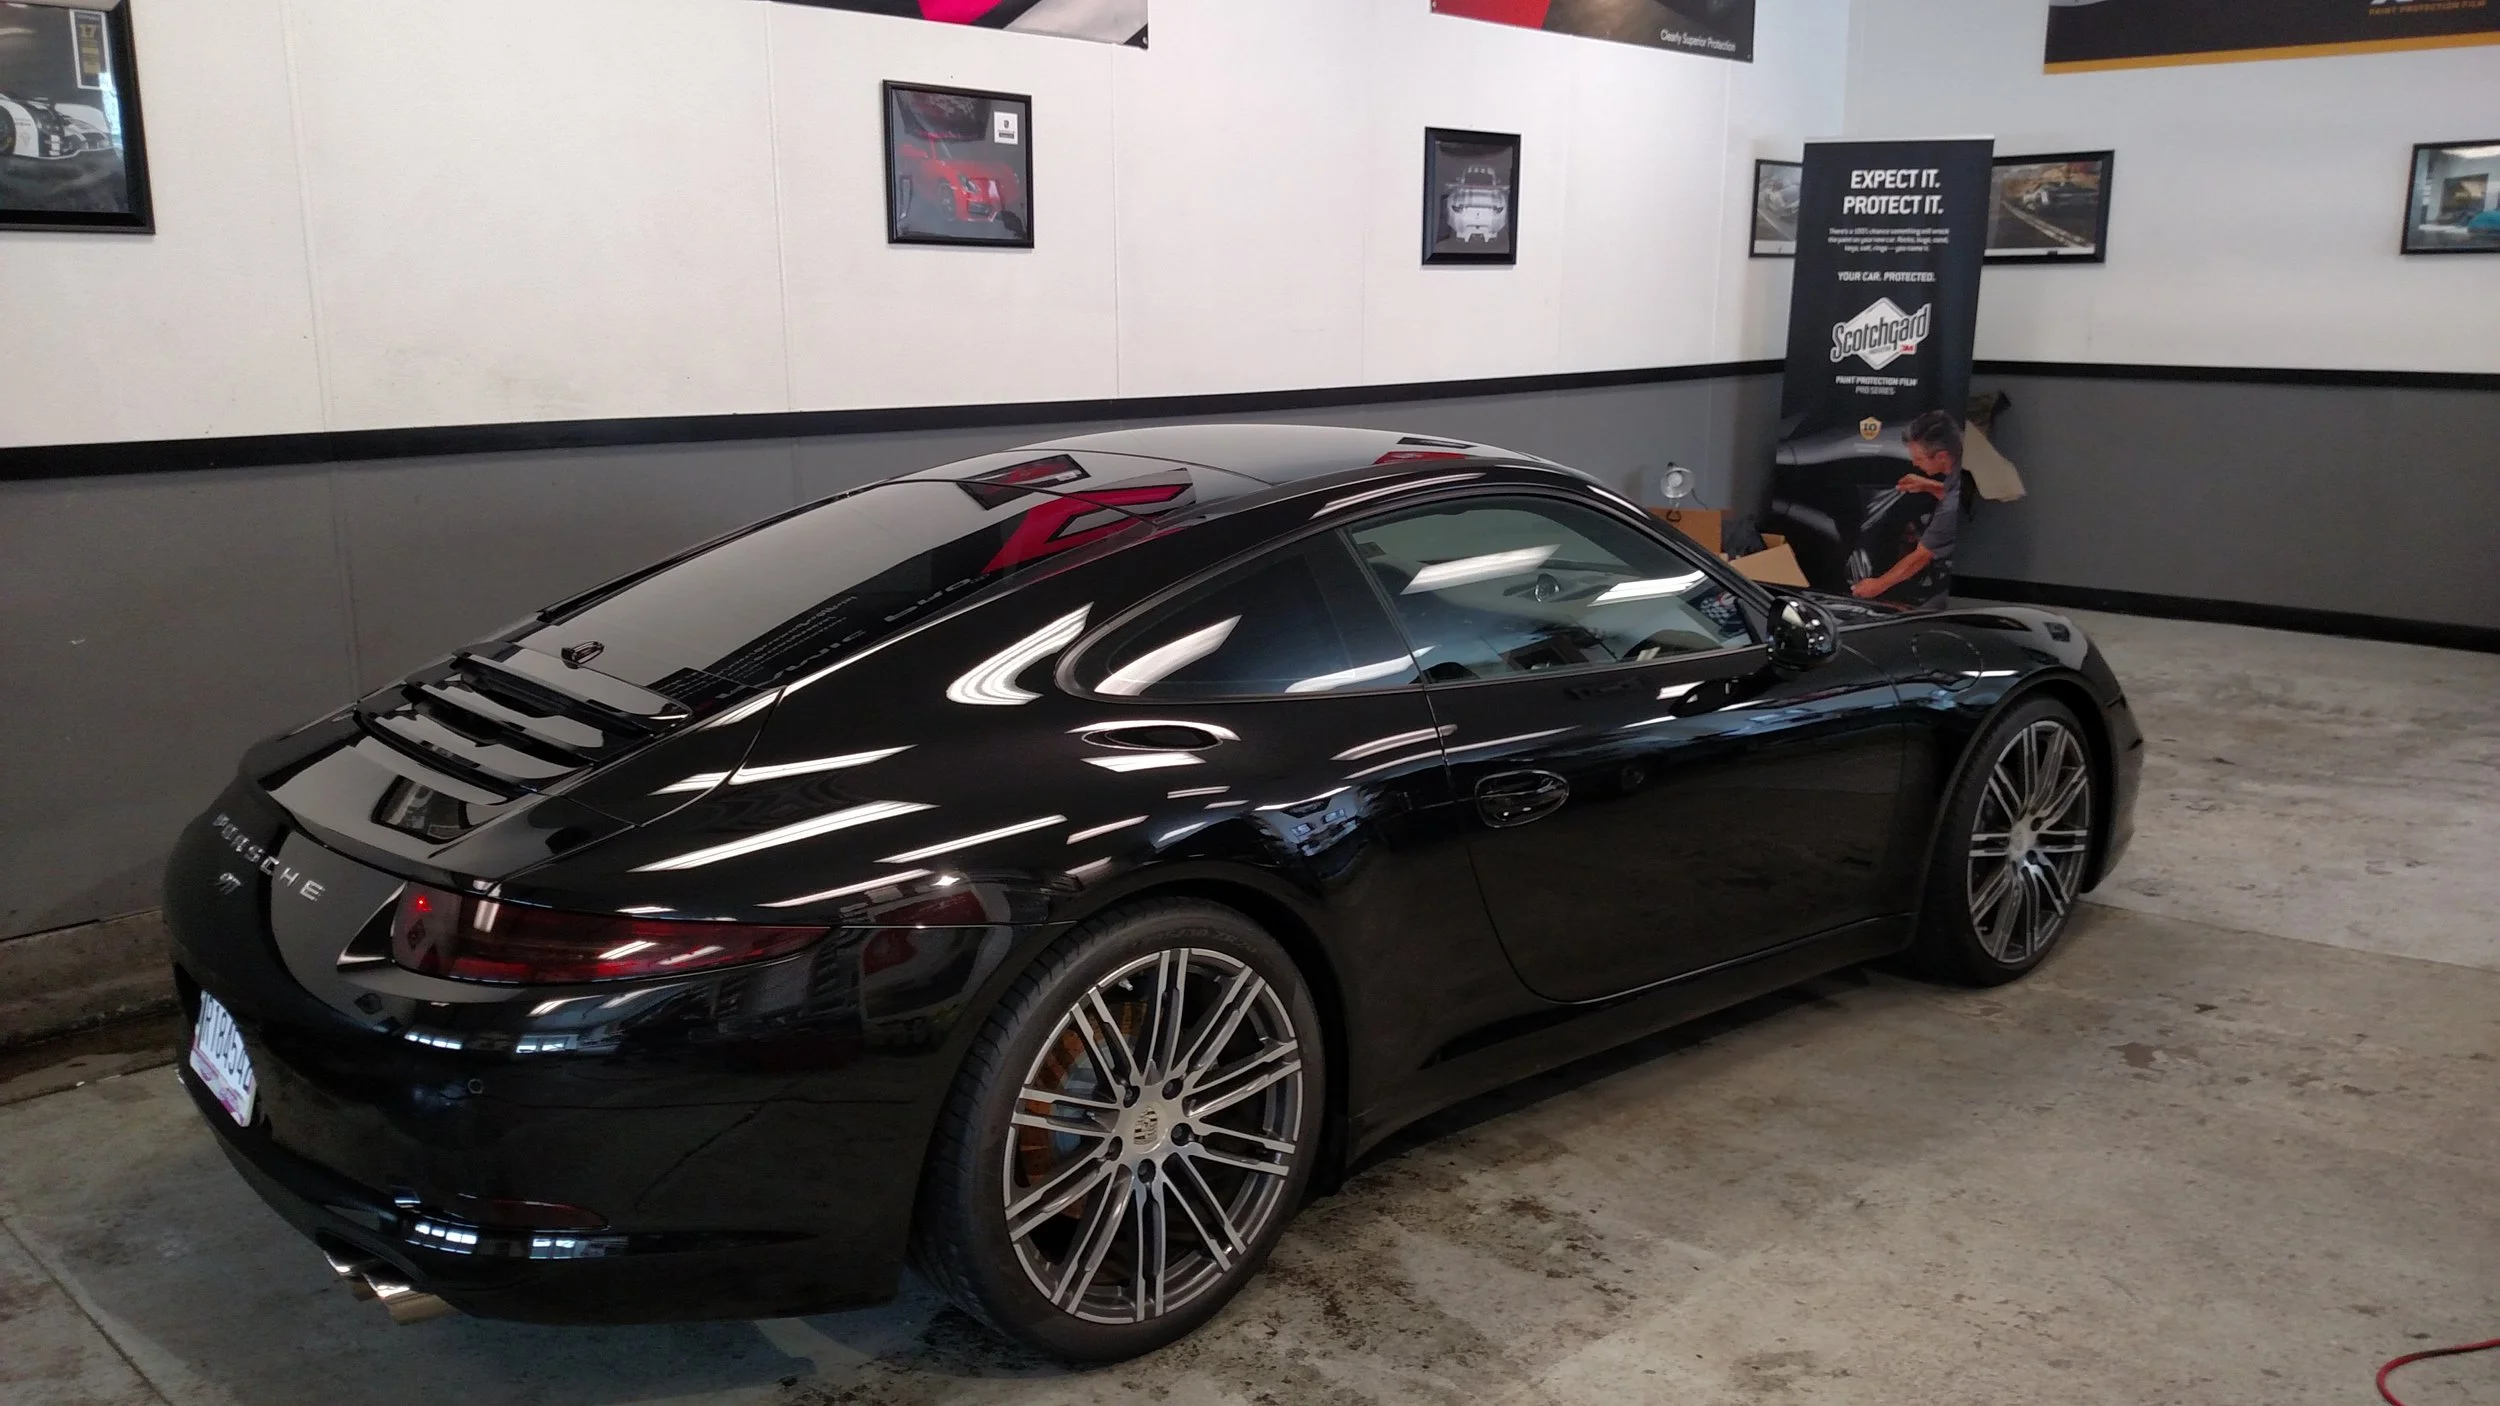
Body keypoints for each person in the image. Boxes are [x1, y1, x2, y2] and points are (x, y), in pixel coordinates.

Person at [1851, 409, 1965, 608]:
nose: (1914, 463)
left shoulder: (1950, 506)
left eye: (1919, 459)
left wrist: (1876, 586)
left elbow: (1920, 557)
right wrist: (1929, 486)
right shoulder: (1961, 467)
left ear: (1942, 456)